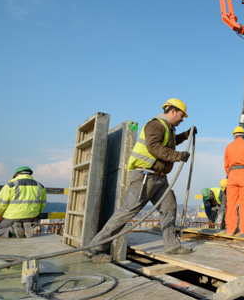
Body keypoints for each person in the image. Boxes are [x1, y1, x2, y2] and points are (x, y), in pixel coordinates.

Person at [84, 98, 196, 263]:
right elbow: (154, 147)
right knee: (127, 212)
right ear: (172, 111)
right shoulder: (156, 124)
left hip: (159, 178)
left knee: (169, 208)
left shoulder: (168, 129)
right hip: (146, 176)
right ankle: (94, 249)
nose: (182, 119)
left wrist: (186, 135)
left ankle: (172, 245)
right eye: (181, 115)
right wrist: (178, 156)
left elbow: (170, 142)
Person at [0, 166, 46, 238]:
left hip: (13, 217)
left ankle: (12, 230)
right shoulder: (40, 186)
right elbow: (42, 204)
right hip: (31, 217)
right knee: (24, 223)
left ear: (16, 175)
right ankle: (26, 225)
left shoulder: (11, 186)